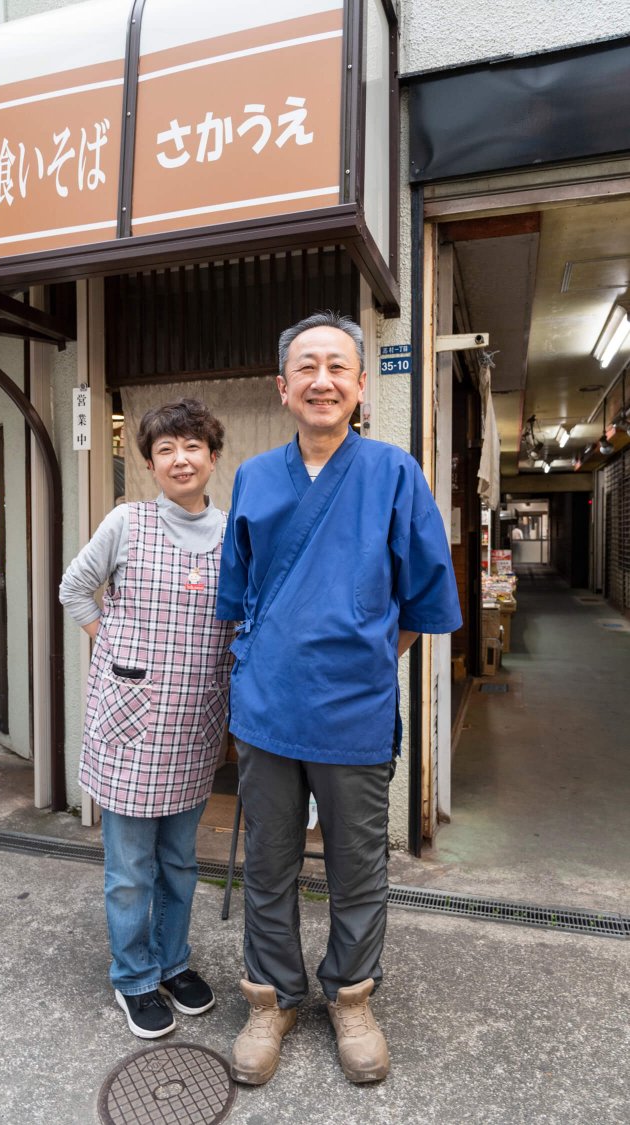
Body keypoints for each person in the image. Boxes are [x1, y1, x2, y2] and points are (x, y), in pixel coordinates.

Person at [216, 312, 462, 1086]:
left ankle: (351, 996)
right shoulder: (255, 475)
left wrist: (358, 653)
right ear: (281, 386)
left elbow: (422, 604)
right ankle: (272, 997)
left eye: (339, 367)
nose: (322, 380)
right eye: (307, 366)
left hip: (353, 710)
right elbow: (236, 592)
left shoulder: (395, 473)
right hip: (267, 710)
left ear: (360, 386)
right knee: (269, 862)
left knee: (357, 866)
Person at [60, 399, 234, 1040]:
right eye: (165, 449)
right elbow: (73, 587)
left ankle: (173, 962)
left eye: (192, 446)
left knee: (181, 861)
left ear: (213, 458)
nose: (179, 458)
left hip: (194, 721)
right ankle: (133, 976)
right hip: (128, 724)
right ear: (151, 464)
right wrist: (111, 647)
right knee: (130, 867)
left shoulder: (233, 531)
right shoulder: (125, 523)